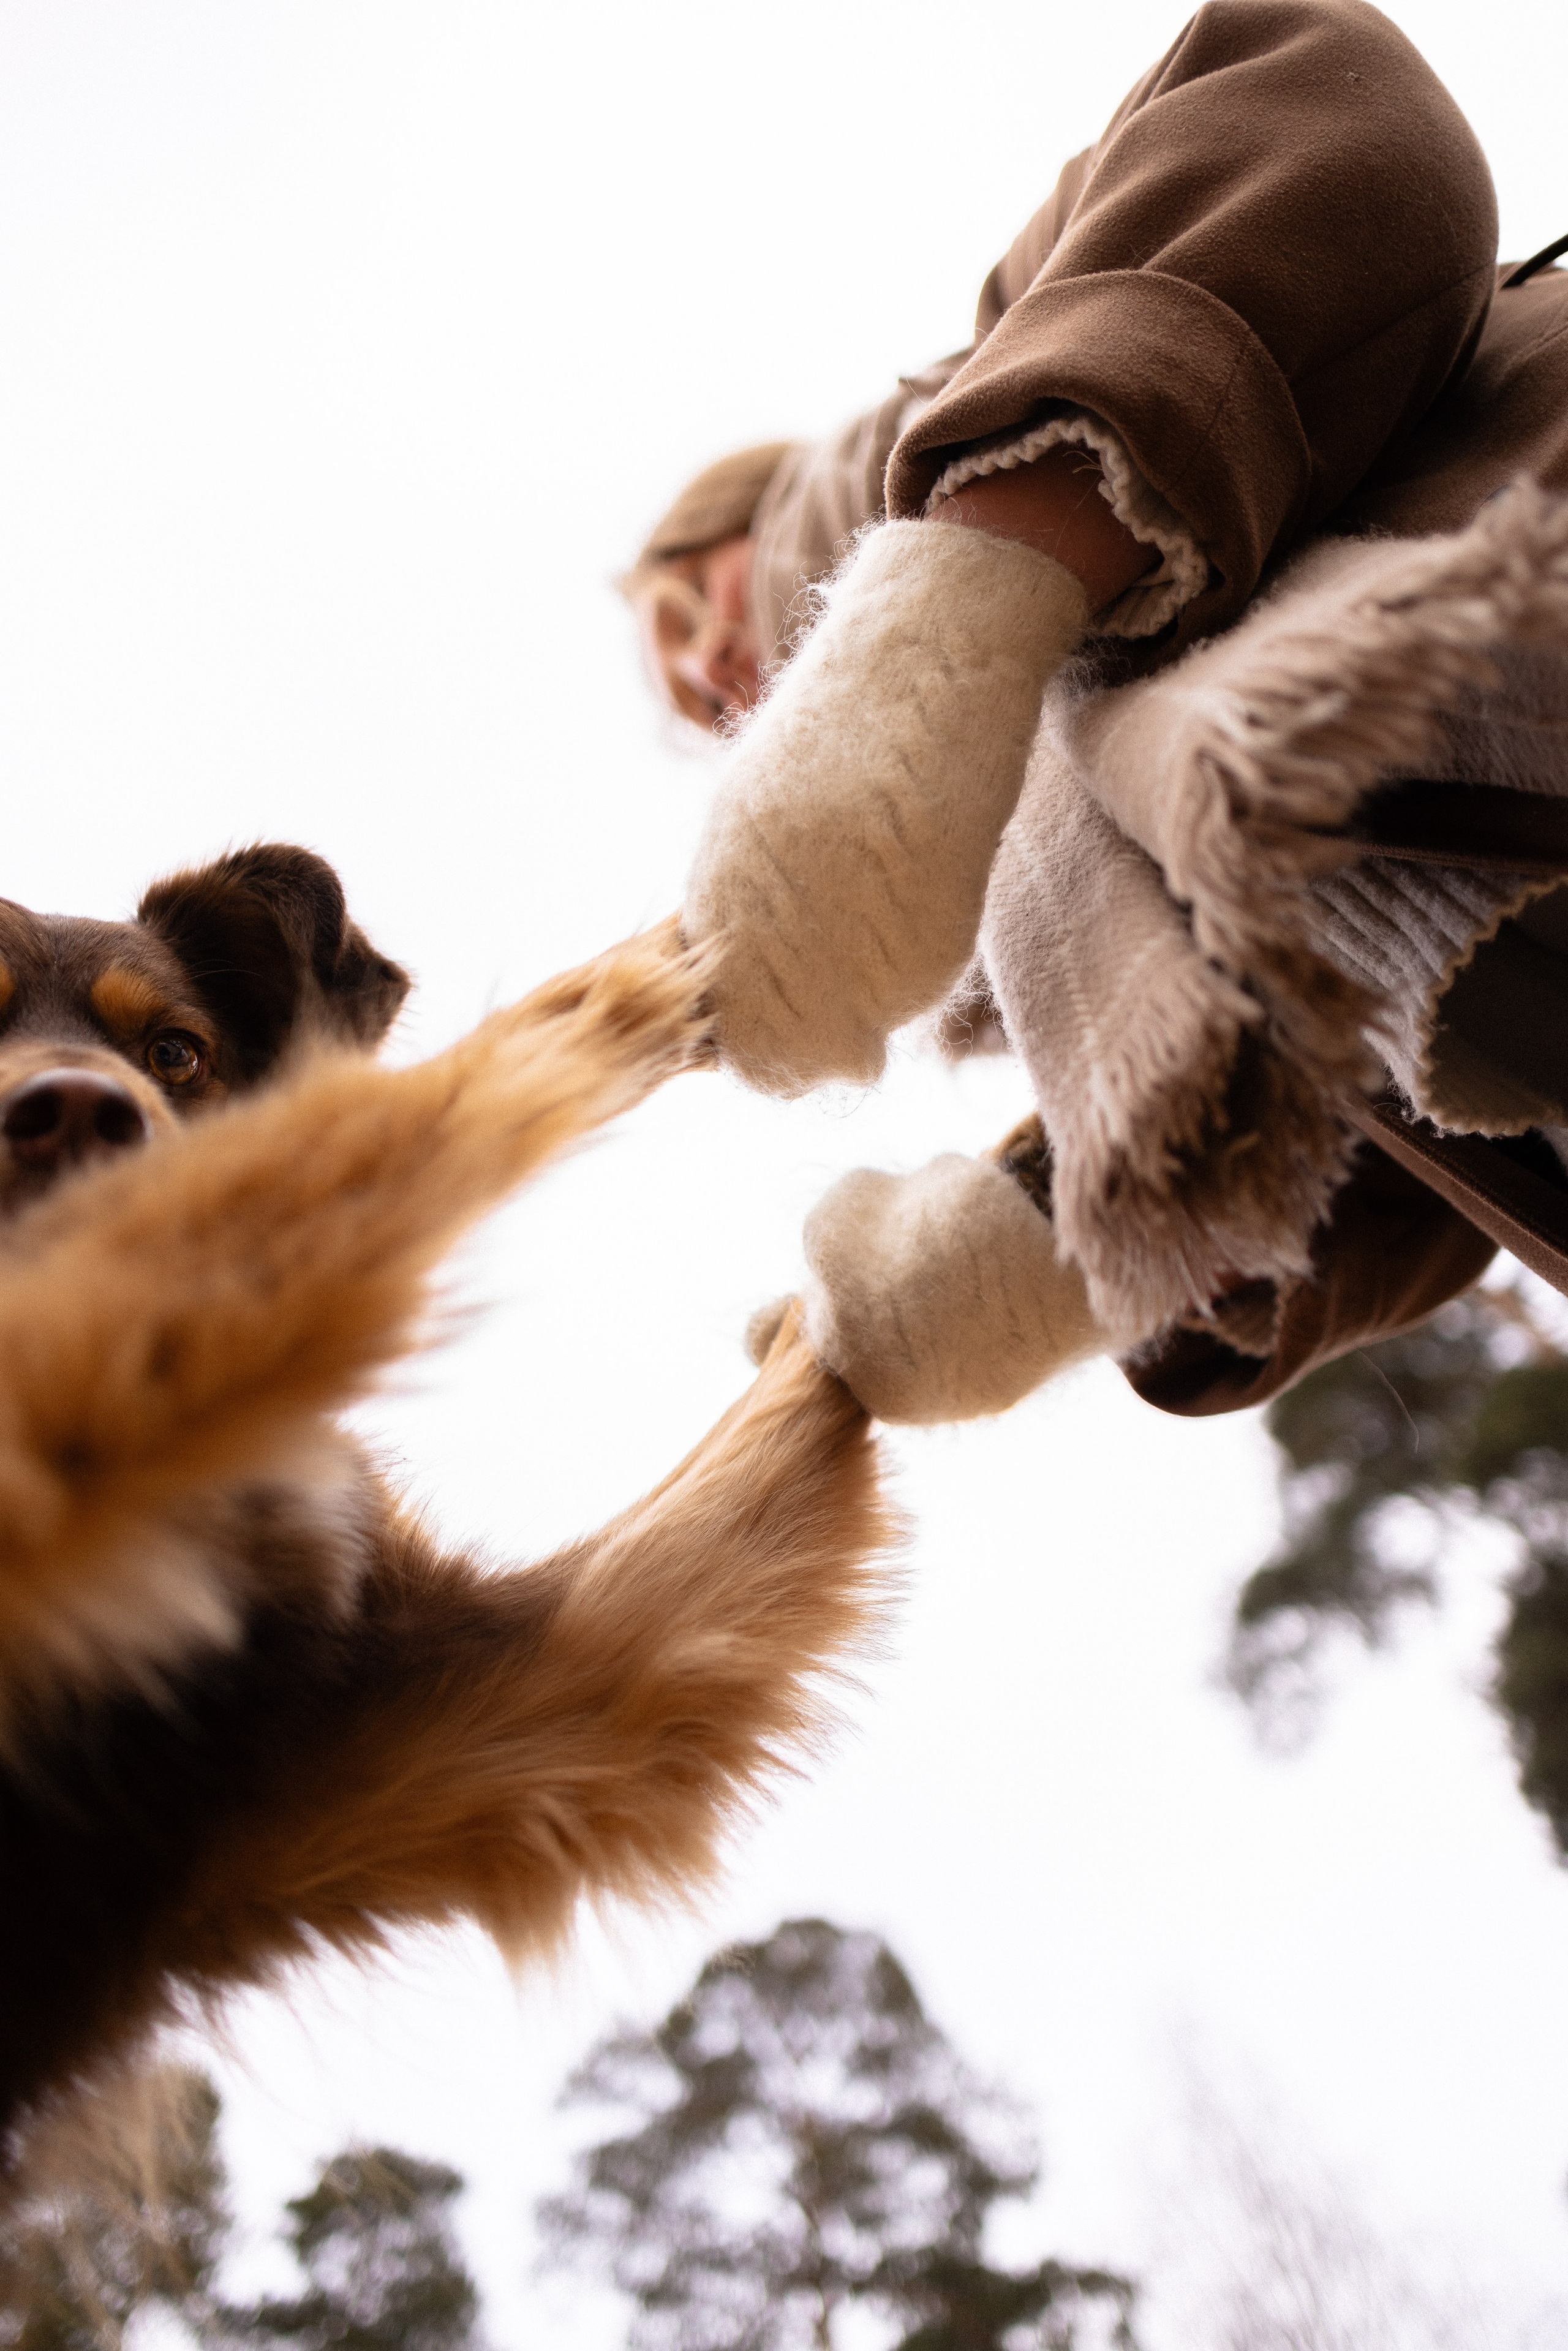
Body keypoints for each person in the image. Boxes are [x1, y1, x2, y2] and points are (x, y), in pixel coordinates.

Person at [627, 0, 1568, 1428]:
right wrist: (1074, 1240)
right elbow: (1434, 1126)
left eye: (682, 614)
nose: (708, 678)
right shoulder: (1044, 913)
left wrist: (947, 613)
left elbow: (1335, 96)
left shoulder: (982, 382)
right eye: (692, 707)